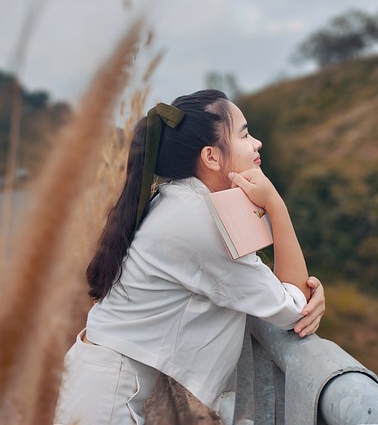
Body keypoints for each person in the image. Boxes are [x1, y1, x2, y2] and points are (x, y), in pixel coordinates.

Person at [55, 90, 325, 424]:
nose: (257, 143)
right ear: (211, 157)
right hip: (105, 403)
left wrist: (300, 293)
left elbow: (284, 294)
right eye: (244, 134)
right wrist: (277, 205)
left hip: (98, 387)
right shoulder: (201, 219)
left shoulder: (178, 202)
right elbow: (294, 309)